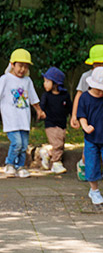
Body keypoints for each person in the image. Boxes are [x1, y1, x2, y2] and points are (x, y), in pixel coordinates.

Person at [71, 44, 103, 181]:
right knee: (90, 143)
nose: (101, 66)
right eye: (98, 64)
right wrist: (75, 115)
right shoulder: (86, 76)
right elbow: (79, 94)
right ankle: (84, 165)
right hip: (90, 116)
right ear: (92, 63)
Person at [76, 67, 103, 206]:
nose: (101, 93)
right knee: (91, 166)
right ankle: (94, 190)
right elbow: (81, 115)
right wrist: (85, 126)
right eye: (99, 90)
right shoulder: (85, 98)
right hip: (91, 139)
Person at [1, 48, 45, 178]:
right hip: (11, 118)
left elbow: (33, 98)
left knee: (24, 145)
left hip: (24, 119)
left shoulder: (27, 81)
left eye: (25, 67)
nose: (22, 70)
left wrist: (39, 110)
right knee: (17, 143)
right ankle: (9, 164)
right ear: (12, 64)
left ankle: (20, 166)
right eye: (20, 66)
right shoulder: (5, 79)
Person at [38, 66, 72, 174]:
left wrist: (73, 117)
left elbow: (70, 108)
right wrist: (41, 113)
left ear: (56, 83)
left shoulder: (65, 95)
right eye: (44, 81)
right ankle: (56, 163)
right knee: (57, 144)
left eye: (47, 81)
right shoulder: (46, 96)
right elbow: (41, 107)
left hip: (61, 123)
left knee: (61, 144)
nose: (44, 84)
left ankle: (47, 154)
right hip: (50, 123)